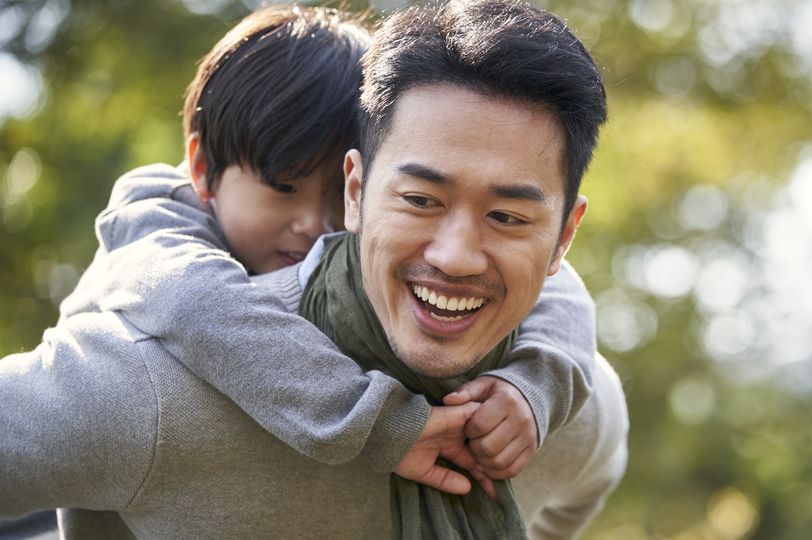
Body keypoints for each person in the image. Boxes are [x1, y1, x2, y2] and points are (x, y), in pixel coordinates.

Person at [0, 0, 628, 538]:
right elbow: (192, 301)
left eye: (509, 217)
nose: (457, 257)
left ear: (562, 238)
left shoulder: (571, 407)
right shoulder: (154, 364)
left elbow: (565, 305)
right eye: (420, 200)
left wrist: (540, 389)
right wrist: (381, 423)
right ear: (367, 190)